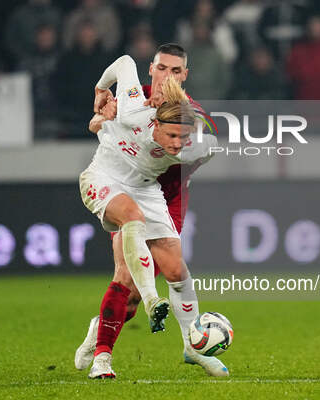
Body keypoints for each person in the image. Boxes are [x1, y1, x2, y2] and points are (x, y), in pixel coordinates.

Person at [76, 45, 229, 379]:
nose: (167, 76)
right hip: (112, 183)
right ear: (152, 69)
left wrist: (185, 117)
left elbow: (212, 137)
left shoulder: (191, 122)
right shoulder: (135, 102)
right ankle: (106, 351)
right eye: (163, 69)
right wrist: (102, 101)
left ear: (184, 76)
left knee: (176, 271)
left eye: (176, 71)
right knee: (126, 278)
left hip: (157, 193)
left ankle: (192, 346)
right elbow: (98, 118)